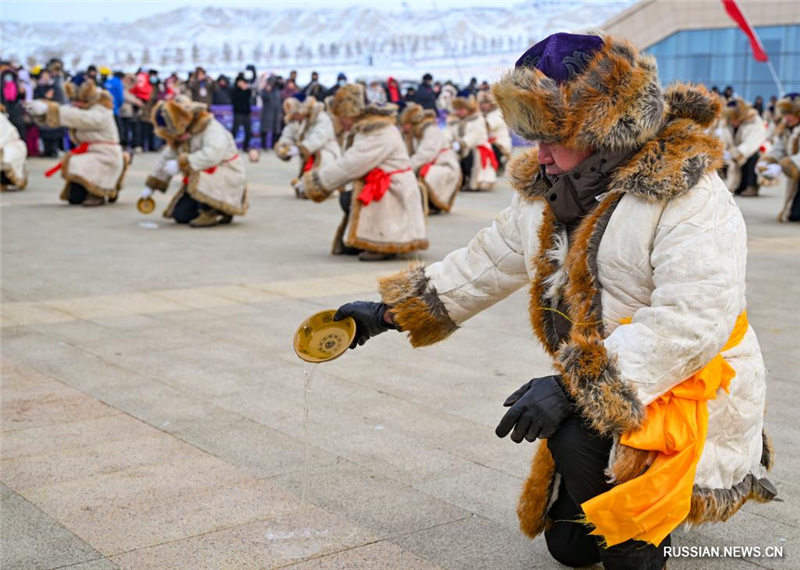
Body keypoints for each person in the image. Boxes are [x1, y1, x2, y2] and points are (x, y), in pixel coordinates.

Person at [332, 32, 775, 570]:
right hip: (615, 376)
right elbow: (488, 260)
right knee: (569, 549)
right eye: (532, 134)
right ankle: (621, 509)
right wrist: (387, 314)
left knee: (609, 515)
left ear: (604, 129)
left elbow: (694, 321)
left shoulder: (687, 192)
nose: (538, 152)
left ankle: (640, 541)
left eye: (552, 135)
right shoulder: (549, 188)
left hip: (683, 380)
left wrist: (571, 386)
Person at [297, 84, 428, 261]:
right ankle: (369, 239)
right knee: (347, 198)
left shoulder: (377, 131)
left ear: (351, 113)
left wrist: (316, 183)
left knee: (352, 198)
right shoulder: (368, 128)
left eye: (342, 116)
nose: (340, 121)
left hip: (394, 189)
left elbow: (351, 164)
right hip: (391, 184)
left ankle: (383, 243)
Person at [141, 97, 247, 227]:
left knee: (201, 170)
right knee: (181, 215)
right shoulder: (179, 135)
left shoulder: (212, 128)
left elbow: (213, 155)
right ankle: (218, 210)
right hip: (202, 179)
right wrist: (152, 185)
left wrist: (182, 163)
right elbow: (166, 157)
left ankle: (212, 211)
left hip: (224, 175)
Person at [26, 80, 127, 206]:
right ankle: (86, 190)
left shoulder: (101, 111)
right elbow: (71, 114)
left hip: (106, 155)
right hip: (90, 152)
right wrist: (44, 112)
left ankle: (100, 193)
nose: (75, 105)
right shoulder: (84, 108)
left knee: (80, 163)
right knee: (75, 194)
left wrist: (49, 109)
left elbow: (81, 118)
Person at [399, 102, 460, 214]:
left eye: (405, 124)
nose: (403, 128)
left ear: (412, 123)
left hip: (445, 165)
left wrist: (405, 168)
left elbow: (425, 155)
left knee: (427, 175)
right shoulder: (411, 134)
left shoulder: (431, 130)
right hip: (430, 163)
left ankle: (433, 204)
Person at [279, 96, 342, 199]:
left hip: (326, 152)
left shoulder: (321, 117)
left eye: (297, 115)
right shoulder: (297, 121)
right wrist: (284, 147)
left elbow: (319, 136)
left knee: (322, 166)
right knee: (308, 171)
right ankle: (306, 186)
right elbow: (288, 135)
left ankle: (322, 188)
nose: (296, 118)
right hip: (310, 156)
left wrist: (301, 148)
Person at [759, 93, 800, 222]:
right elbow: (779, 149)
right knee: (794, 215)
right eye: (785, 113)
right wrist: (768, 161)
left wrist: (790, 164)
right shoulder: (785, 128)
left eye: (790, 113)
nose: (787, 117)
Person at [447, 94, 496, 191]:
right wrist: (448, 142)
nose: (460, 111)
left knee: (470, 159)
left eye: (462, 109)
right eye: (458, 109)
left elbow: (476, 135)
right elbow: (448, 132)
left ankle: (471, 181)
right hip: (459, 146)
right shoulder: (453, 120)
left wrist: (462, 143)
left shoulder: (477, 119)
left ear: (468, 109)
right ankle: (457, 181)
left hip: (476, 147)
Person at [721, 98, 767, 197]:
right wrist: (723, 151)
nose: (733, 121)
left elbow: (753, 142)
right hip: (733, 153)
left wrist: (738, 152)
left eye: (735, 118)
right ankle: (734, 184)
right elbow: (722, 139)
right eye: (731, 118)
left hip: (750, 151)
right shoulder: (726, 123)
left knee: (753, 157)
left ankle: (752, 185)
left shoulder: (754, 120)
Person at [477, 90, 512, 174]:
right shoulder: (481, 114)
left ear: (491, 104)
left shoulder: (497, 113)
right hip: (485, 140)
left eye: (487, 103)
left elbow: (488, 126)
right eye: (483, 103)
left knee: (492, 147)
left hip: (499, 141)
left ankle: (499, 164)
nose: (485, 105)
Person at [32, 70, 65, 157]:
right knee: (44, 133)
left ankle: (54, 150)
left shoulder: (55, 87)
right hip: (42, 114)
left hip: (53, 113)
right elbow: (35, 99)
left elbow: (60, 99)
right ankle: (46, 151)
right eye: (44, 75)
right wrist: (45, 98)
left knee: (55, 132)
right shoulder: (38, 87)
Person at [1, 104, 28, 191]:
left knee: (6, 157)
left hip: (10, 144)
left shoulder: (1, 119)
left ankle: (5, 181)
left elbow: (10, 134)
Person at [231, 67, 256, 151]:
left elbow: (250, 95)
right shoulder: (234, 90)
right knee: (235, 130)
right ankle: (230, 146)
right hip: (238, 113)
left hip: (246, 113)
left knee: (248, 131)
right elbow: (234, 99)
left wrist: (245, 89)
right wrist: (240, 90)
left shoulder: (247, 91)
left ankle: (246, 146)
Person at [259, 74, 283, 150]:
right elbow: (262, 96)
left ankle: (273, 145)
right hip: (267, 113)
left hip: (276, 113)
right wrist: (267, 91)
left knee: (275, 130)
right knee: (265, 130)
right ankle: (264, 146)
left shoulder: (277, 91)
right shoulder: (265, 90)